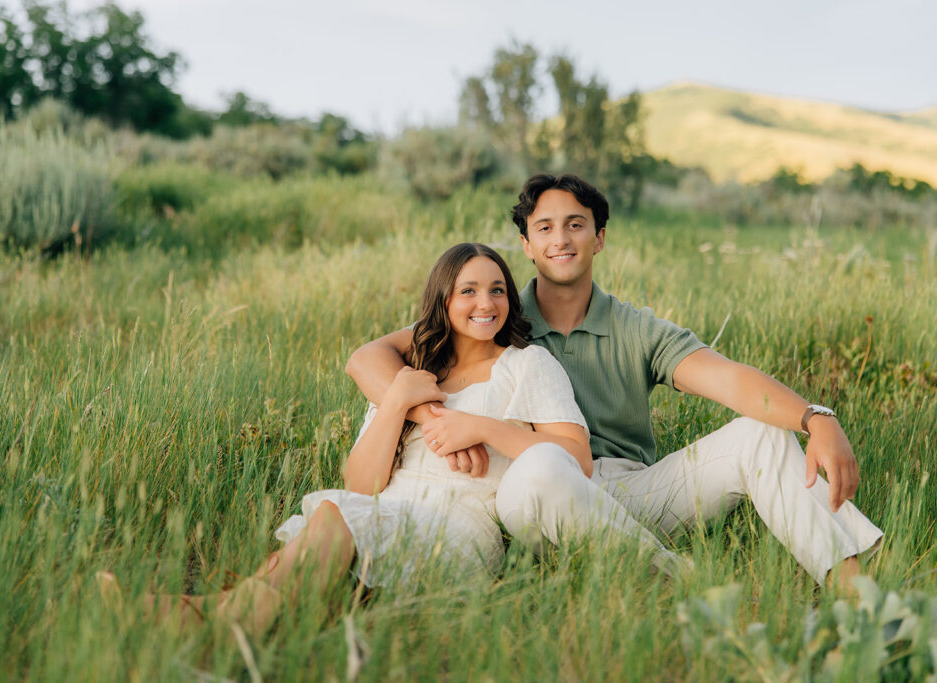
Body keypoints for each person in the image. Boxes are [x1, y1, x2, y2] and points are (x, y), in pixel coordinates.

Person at [101, 242, 674, 631]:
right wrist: (399, 399)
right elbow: (362, 481)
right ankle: (215, 624)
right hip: (388, 511)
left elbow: (575, 458)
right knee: (326, 545)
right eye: (469, 290)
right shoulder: (413, 373)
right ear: (443, 299)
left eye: (498, 290)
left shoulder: (527, 366)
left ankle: (200, 622)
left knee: (334, 524)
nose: (486, 303)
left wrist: (483, 428)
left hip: (462, 529)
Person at [347, 174, 883, 589]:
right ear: (527, 244)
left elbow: (730, 381)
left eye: (576, 224)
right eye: (545, 227)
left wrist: (816, 418)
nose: (561, 239)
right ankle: (677, 584)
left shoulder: (635, 328)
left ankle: (858, 601)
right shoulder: (494, 317)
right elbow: (368, 359)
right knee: (539, 471)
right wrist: (441, 423)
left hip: (630, 489)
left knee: (761, 433)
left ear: (599, 238)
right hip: (527, 492)